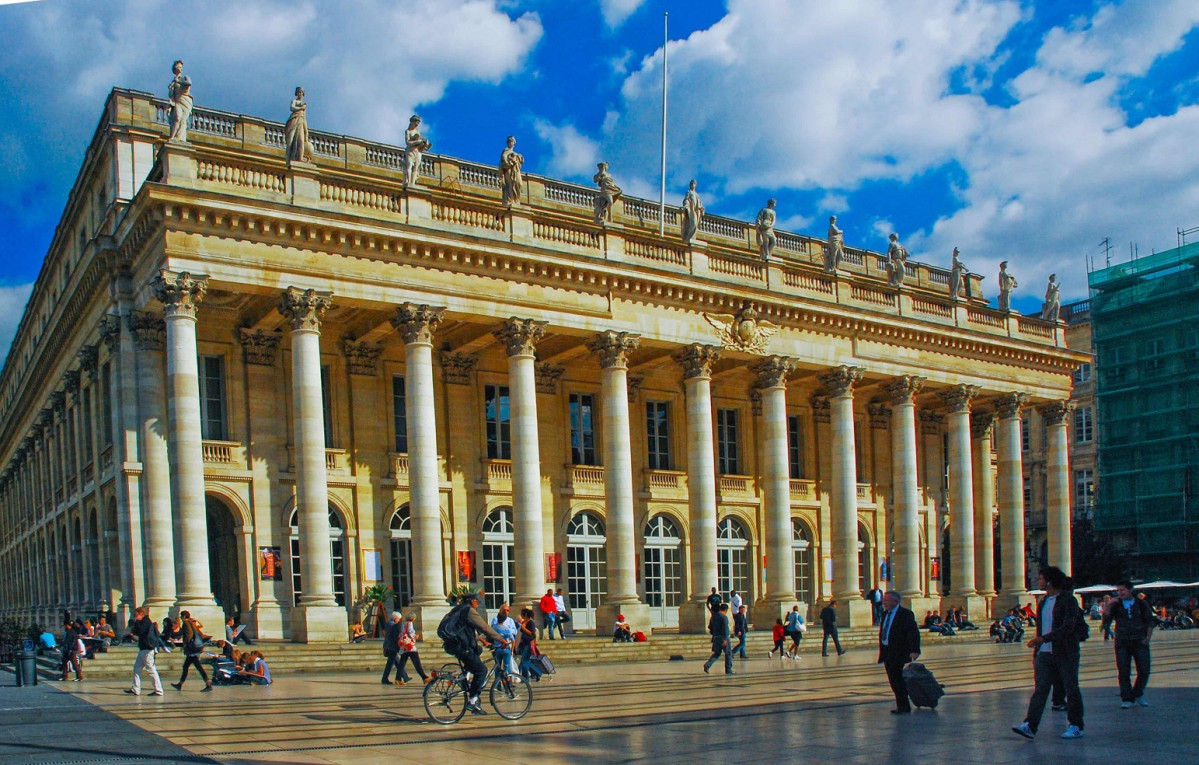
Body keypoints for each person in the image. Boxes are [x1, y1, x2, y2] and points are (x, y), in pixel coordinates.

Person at [1011, 566, 1086, 740]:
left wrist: (1044, 639)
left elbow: (1068, 627)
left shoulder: (1069, 601)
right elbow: (1041, 628)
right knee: (1040, 690)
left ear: (1050, 581)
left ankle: (1076, 725)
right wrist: (1038, 648)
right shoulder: (1043, 601)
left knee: (1071, 688)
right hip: (1044, 653)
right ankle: (1030, 725)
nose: (1039, 581)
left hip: (1065, 652)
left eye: (1041, 578)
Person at [446, 592, 507, 715]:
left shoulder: (459, 609)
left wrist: (483, 640)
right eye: (476, 601)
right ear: (471, 601)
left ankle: (465, 680)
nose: (477, 603)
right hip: (461, 646)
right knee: (481, 670)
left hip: (454, 645)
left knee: (477, 652)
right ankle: (472, 701)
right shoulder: (469, 611)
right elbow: (484, 627)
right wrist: (501, 639)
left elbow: (467, 630)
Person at [1101, 580, 1154, 708]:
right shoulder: (1116, 605)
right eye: (1118, 590)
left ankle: (1137, 692)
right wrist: (1108, 605)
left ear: (1130, 590)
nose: (1120, 593)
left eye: (1122, 590)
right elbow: (1106, 620)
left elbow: (1150, 621)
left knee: (1144, 669)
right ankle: (1126, 697)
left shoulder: (1141, 603)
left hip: (1139, 640)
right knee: (1123, 670)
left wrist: (1147, 637)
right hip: (1122, 641)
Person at [877, 591, 921, 714]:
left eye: (886, 600)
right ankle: (902, 704)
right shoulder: (885, 614)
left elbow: (913, 633)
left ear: (895, 601)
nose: (884, 602)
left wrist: (914, 650)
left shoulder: (905, 614)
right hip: (887, 651)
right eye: (884, 600)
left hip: (899, 651)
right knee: (893, 679)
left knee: (897, 679)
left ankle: (904, 706)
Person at [171, 610, 212, 693]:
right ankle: (180, 684)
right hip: (194, 649)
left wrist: (185, 644)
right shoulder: (192, 622)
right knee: (186, 667)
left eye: (181, 616)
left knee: (198, 667)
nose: (181, 618)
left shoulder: (186, 623)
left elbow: (188, 635)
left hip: (192, 649)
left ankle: (208, 684)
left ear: (184, 617)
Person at [126, 607, 164, 696]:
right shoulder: (143, 622)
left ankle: (158, 690)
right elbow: (136, 631)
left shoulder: (146, 621)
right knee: (137, 668)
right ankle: (136, 689)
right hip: (143, 648)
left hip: (147, 648)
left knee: (151, 669)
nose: (135, 617)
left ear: (141, 614)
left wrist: (137, 622)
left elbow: (140, 631)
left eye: (136, 615)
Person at [395, 612, 429, 685]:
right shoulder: (409, 623)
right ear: (413, 618)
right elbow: (410, 633)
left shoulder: (403, 624)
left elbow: (401, 633)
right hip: (410, 647)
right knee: (417, 663)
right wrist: (415, 636)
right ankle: (424, 677)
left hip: (404, 647)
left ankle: (398, 678)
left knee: (402, 663)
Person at [285, 86, 314, 163]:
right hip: (293, 121)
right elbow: (292, 108)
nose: (300, 94)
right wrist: (301, 108)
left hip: (301, 122)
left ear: (303, 94)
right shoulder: (294, 101)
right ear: (296, 93)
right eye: (298, 92)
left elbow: (304, 118)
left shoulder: (304, 105)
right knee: (290, 142)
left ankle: (300, 157)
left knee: (301, 141)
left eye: (301, 92)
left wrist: (306, 131)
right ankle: (288, 159)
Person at [703, 603, 733, 675]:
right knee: (728, 653)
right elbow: (725, 629)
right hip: (723, 637)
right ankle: (728, 669)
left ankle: (708, 665)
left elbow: (710, 627)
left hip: (716, 637)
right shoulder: (724, 617)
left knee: (717, 653)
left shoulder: (713, 616)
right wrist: (725, 639)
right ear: (726, 610)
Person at [490, 603, 520, 676]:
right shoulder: (495, 619)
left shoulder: (510, 620)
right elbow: (492, 631)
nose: (506, 612)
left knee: (508, 665)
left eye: (507, 610)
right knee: (498, 665)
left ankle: (508, 683)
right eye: (504, 610)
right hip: (498, 645)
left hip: (507, 643)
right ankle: (498, 684)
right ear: (500, 611)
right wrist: (506, 630)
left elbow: (515, 631)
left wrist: (507, 630)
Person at [167, 60, 192, 142]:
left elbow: (189, 83)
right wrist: (170, 105)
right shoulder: (172, 83)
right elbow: (171, 95)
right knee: (177, 118)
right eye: (178, 67)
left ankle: (180, 138)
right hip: (177, 101)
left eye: (181, 67)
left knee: (183, 120)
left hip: (185, 100)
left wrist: (178, 81)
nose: (180, 68)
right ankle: (172, 136)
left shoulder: (184, 78)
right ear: (174, 69)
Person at [403, 114, 432, 187]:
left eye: (418, 123)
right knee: (409, 164)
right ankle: (408, 182)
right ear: (413, 122)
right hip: (410, 151)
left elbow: (419, 140)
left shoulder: (417, 131)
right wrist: (417, 142)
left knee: (416, 167)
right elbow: (407, 142)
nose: (417, 125)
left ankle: (412, 183)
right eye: (416, 123)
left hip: (418, 151)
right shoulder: (408, 131)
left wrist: (423, 143)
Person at [516, 607, 544, 682]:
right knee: (526, 661)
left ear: (525, 615)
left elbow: (532, 634)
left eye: (522, 614)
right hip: (523, 644)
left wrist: (524, 628)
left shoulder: (531, 623)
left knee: (525, 661)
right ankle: (538, 673)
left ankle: (525, 678)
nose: (521, 616)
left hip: (528, 644)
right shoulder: (524, 623)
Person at [499, 136, 525, 207]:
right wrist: (507, 162)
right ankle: (511, 200)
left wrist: (518, 158)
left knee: (519, 184)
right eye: (509, 142)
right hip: (509, 169)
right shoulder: (506, 150)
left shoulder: (515, 153)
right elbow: (504, 157)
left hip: (516, 170)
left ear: (514, 143)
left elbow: (522, 160)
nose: (510, 143)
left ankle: (516, 200)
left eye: (512, 141)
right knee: (510, 184)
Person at [380, 611, 404, 685]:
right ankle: (384, 679)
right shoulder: (392, 625)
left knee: (396, 662)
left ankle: (404, 677)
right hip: (392, 646)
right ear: (396, 618)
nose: (399, 620)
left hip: (389, 645)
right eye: (399, 619)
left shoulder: (388, 623)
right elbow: (395, 635)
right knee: (390, 664)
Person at [680, 179, 704, 245]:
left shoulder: (696, 194)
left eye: (694, 183)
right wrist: (686, 207)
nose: (692, 185)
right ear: (690, 185)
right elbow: (686, 200)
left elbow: (699, 203)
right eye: (691, 183)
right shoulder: (689, 192)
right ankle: (688, 238)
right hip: (691, 211)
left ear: (695, 185)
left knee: (695, 224)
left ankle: (691, 238)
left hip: (695, 212)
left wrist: (701, 208)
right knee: (692, 223)